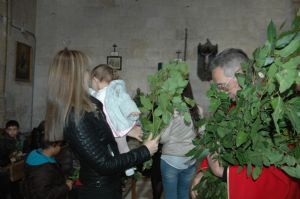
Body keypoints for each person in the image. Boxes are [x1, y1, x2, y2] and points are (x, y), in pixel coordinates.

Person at [45, 48, 159, 199]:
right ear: (75, 76)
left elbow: (102, 132)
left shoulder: (88, 103)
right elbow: (105, 164)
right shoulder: (74, 117)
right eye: (85, 70)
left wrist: (126, 131)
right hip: (99, 190)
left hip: (109, 183)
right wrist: (144, 151)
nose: (88, 74)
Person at [190, 48, 300, 199]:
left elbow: (283, 179)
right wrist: (204, 170)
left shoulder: (276, 113)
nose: (220, 93)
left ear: (241, 74)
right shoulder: (231, 106)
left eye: (222, 86)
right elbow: (218, 144)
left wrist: (224, 173)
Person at [89, 64, 143, 176]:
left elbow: (125, 100)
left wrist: (132, 110)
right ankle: (119, 163)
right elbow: (92, 94)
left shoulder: (114, 90)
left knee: (122, 146)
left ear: (95, 80)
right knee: (114, 147)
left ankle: (129, 167)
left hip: (118, 125)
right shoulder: (99, 93)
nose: (92, 85)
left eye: (91, 82)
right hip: (110, 126)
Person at [160, 82, 201, 199]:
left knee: (170, 196)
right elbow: (201, 134)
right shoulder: (198, 110)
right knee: (184, 194)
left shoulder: (172, 111)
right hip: (189, 160)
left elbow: (163, 138)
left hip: (170, 160)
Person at [0, 120, 24, 199]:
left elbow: (25, 150)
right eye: (10, 130)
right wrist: (11, 158)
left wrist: (22, 155)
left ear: (18, 129)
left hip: (17, 167)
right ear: (6, 130)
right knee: (7, 189)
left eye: (14, 129)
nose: (12, 132)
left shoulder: (21, 139)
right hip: (6, 169)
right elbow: (2, 159)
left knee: (16, 186)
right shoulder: (3, 142)